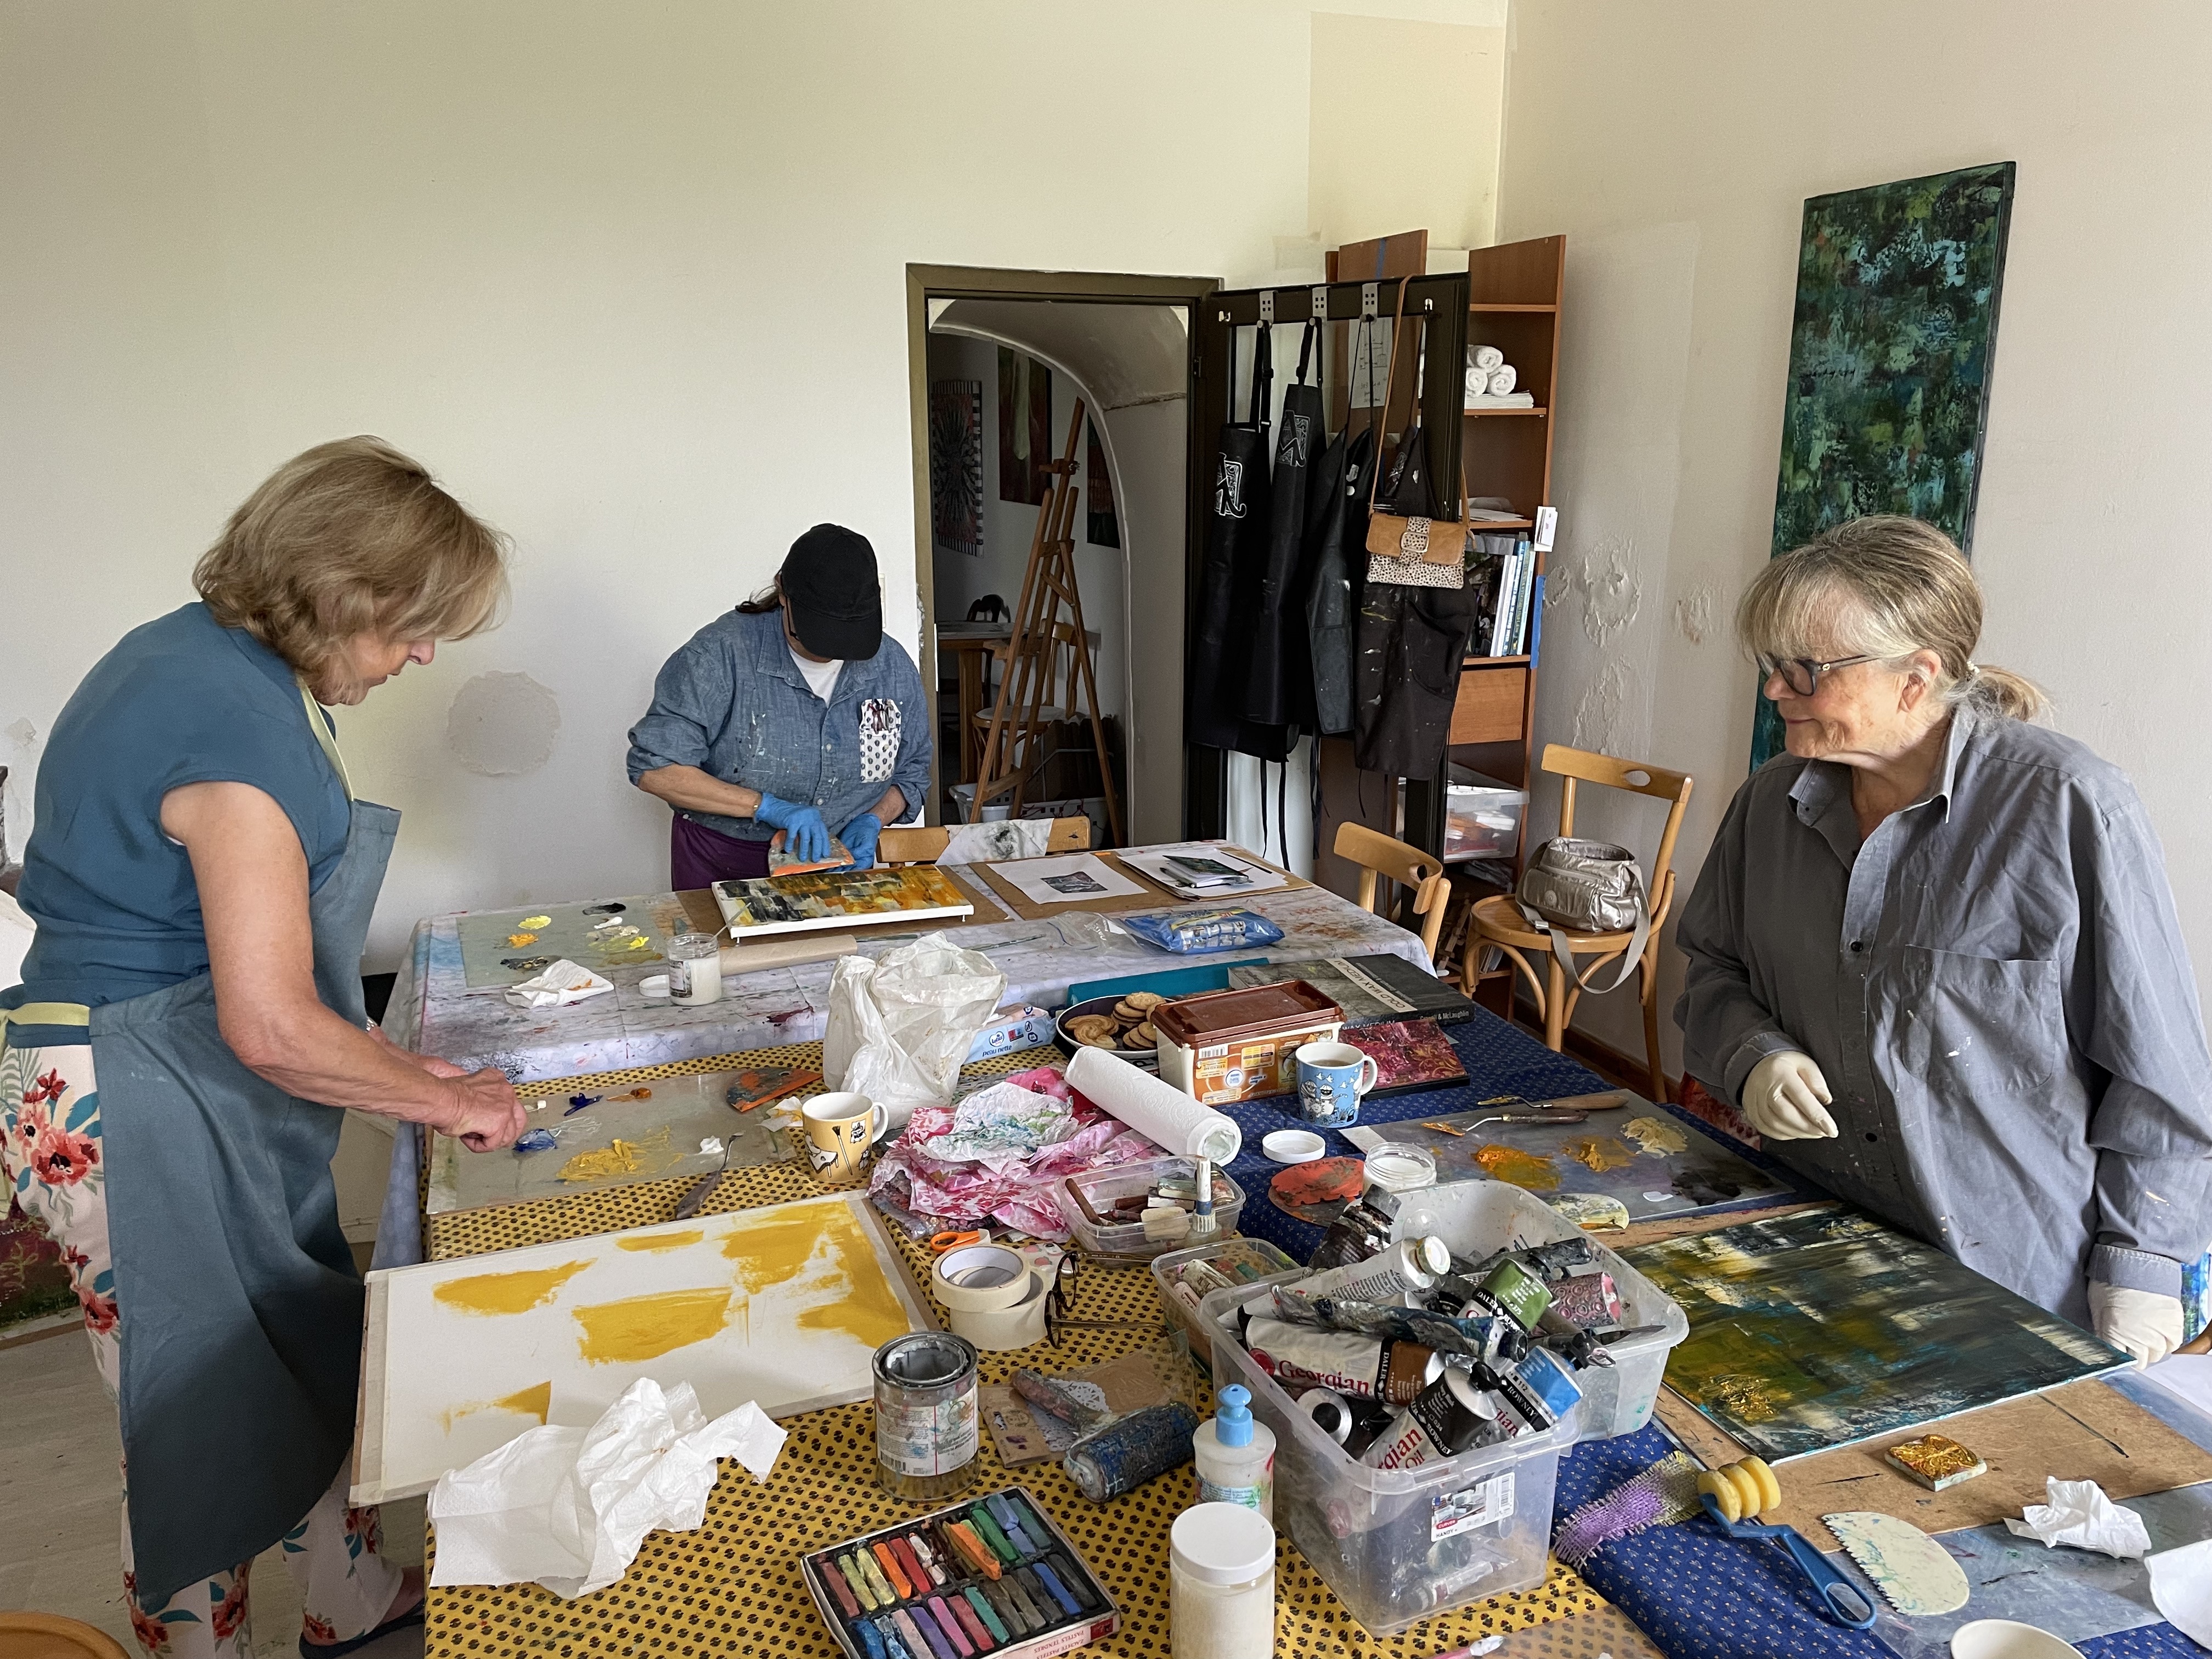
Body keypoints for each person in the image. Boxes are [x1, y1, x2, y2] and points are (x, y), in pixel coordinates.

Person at [0, 438, 529, 1656]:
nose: (423, 655)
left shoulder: (193, 655)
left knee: (291, 1348)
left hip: (166, 1065)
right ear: (346, 595)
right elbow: (273, 1023)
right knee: (193, 1420)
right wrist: (446, 1107)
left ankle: (342, 1598)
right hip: (127, 1098)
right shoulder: (234, 726)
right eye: (412, 626)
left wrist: (414, 1075)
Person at [1675, 516, 2212, 1366]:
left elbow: (2161, 1073)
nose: (1776, 691)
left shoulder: (2069, 806)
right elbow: (1712, 968)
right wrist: (1752, 1053)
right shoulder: (1767, 807)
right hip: (1813, 1248)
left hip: (2010, 1287)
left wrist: (2143, 1265)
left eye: (1804, 670)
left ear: (1915, 678)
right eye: (1770, 667)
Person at [627, 524, 931, 887]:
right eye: (819, 633)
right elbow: (655, 769)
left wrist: (874, 818)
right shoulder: (718, 655)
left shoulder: (891, 666)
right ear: (784, 593)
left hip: (838, 869)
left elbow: (912, 770)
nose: (830, 652)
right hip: (725, 867)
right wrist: (767, 807)